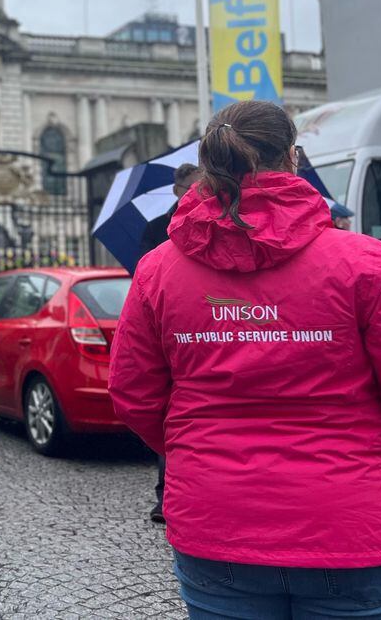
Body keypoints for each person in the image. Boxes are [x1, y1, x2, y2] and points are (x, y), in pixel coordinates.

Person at [109, 100, 381, 619]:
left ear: (210, 165)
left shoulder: (157, 272)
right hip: (355, 520)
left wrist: (198, 447)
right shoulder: (362, 261)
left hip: (219, 521)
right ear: (293, 158)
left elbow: (133, 396)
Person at [135, 162, 201, 525]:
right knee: (171, 416)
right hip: (170, 333)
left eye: (201, 185)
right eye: (190, 186)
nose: (196, 191)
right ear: (177, 191)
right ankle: (166, 493)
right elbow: (142, 279)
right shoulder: (155, 229)